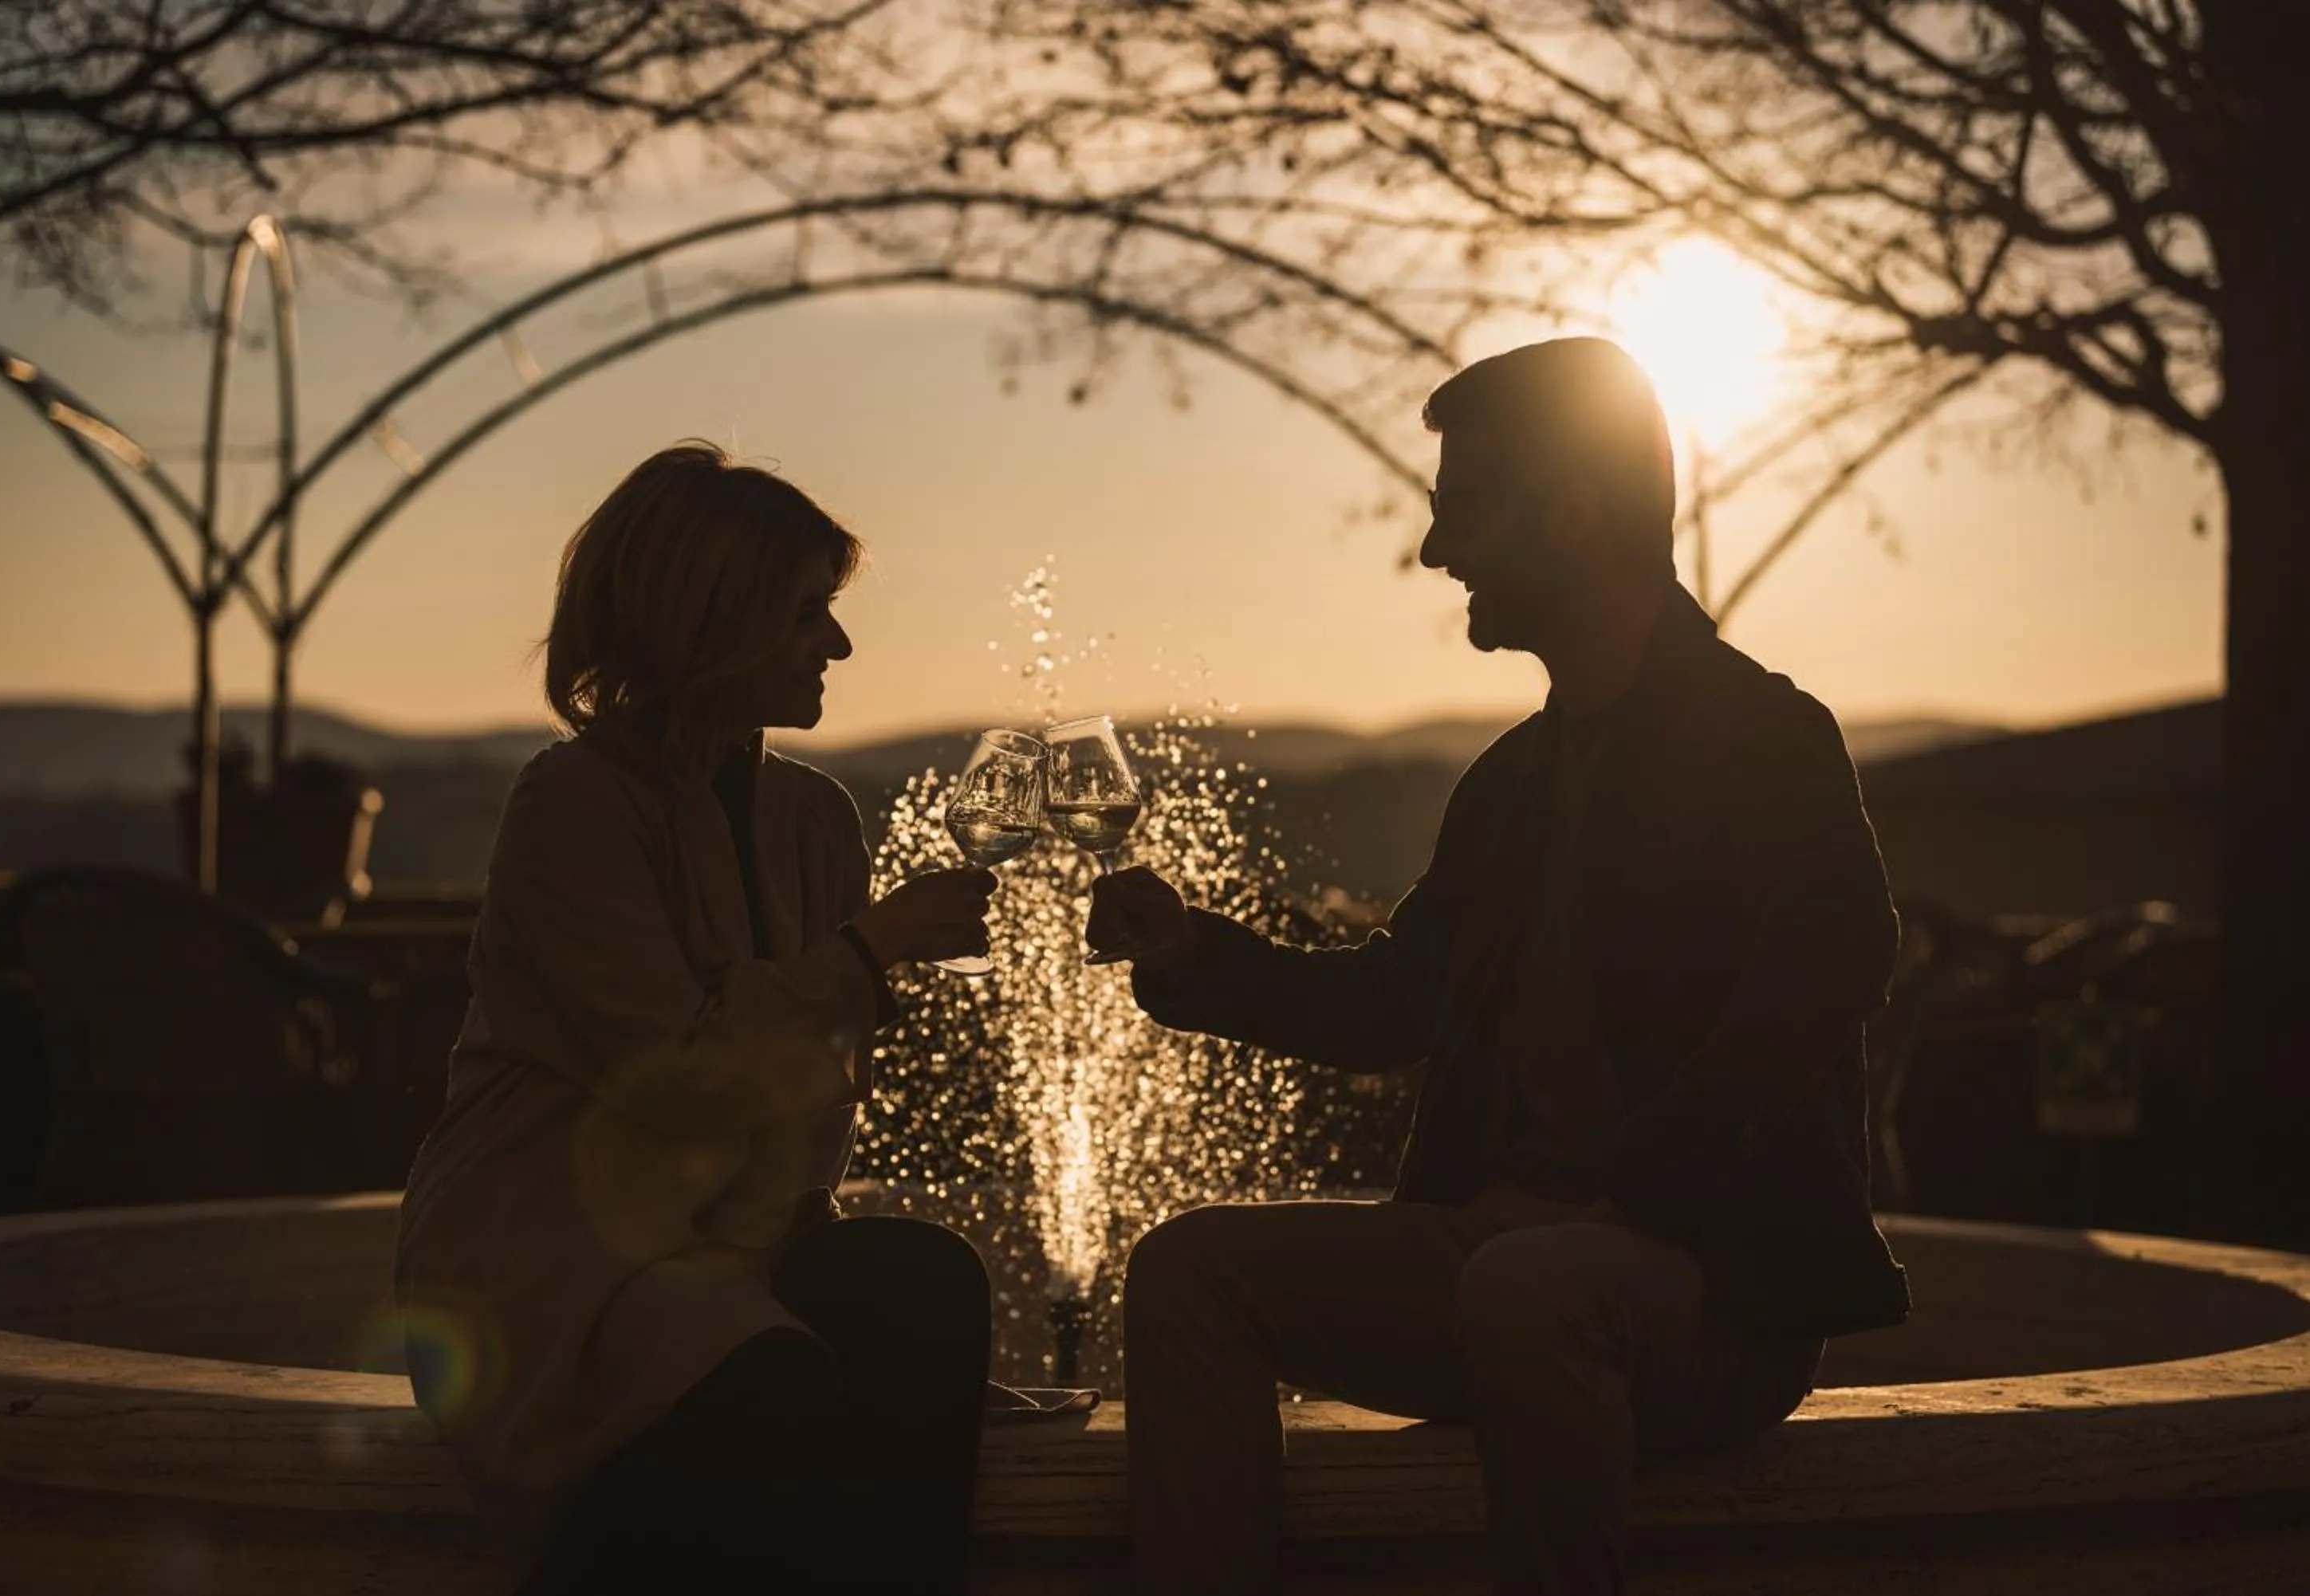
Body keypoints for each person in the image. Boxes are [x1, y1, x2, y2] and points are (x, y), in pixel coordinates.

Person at [1088, 339, 1912, 1595]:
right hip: (1507, 1262)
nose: (1436, 550)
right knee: (1189, 1269)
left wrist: (1634, 1186)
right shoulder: (1513, 785)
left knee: (1534, 1287)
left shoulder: (1765, 737)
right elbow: (1394, 1003)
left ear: (1571, 513)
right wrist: (1198, 957)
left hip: (1717, 1292)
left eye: (1460, 508)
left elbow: (1837, 963)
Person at [395, 442, 1000, 1594]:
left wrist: (884, 983)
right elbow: (671, 1074)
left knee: (923, 1282)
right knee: (761, 1380)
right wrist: (871, 953)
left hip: (733, 1246)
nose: (839, 643)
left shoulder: (814, 816)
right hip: (558, 1257)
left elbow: (814, 1079)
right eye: (807, 612)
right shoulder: (571, 806)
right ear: (709, 619)